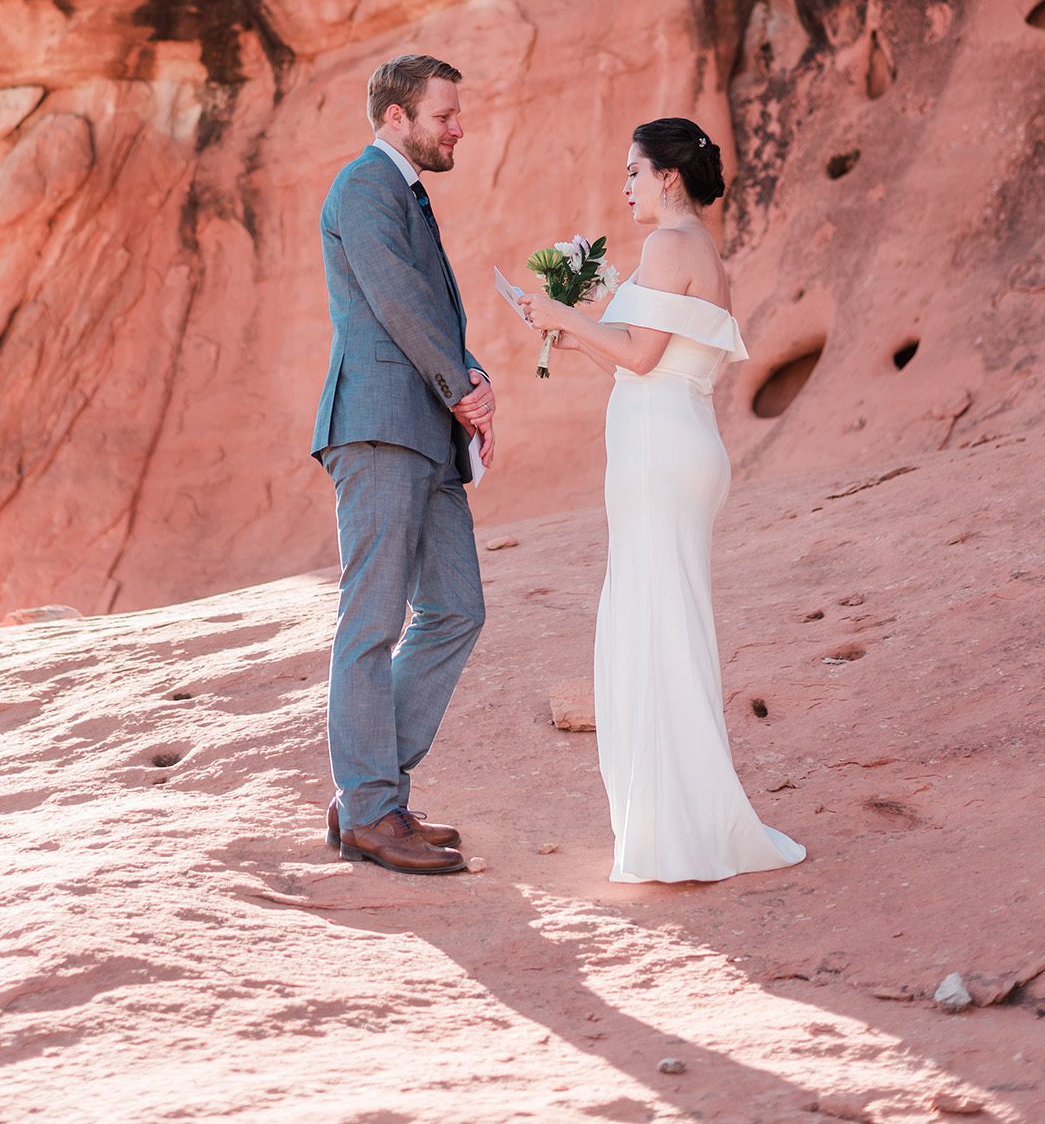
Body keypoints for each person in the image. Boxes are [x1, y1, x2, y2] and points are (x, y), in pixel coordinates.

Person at [518, 116, 805, 884]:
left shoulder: (669, 245)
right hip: (679, 443)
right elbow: (647, 350)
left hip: (660, 452)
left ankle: (677, 831)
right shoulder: (699, 252)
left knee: (654, 624)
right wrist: (572, 326)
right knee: (664, 620)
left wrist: (563, 317)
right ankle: (683, 816)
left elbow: (641, 357)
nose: (626, 187)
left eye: (634, 172)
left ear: (669, 177)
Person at [312, 54, 496, 874]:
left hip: (427, 432)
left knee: (455, 608)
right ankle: (371, 808)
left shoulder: (404, 193)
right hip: (383, 427)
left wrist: (472, 376)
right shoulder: (366, 186)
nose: (458, 128)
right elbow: (394, 298)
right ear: (396, 117)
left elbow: (427, 313)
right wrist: (462, 387)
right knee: (373, 619)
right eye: (444, 115)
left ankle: (371, 793)